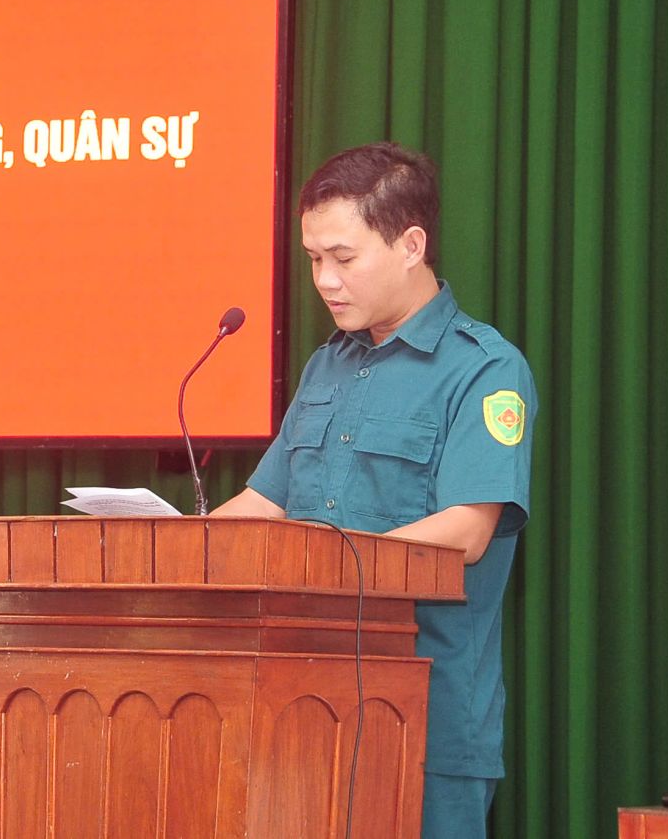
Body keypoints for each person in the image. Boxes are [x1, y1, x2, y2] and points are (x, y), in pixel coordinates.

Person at [214, 142, 535, 839]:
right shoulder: (327, 366)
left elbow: (467, 529)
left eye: (343, 257)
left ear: (411, 245)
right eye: (313, 259)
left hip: (425, 721)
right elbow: (265, 504)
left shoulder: (484, 369)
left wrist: (325, 565)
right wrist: (173, 543)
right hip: (301, 711)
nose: (325, 280)